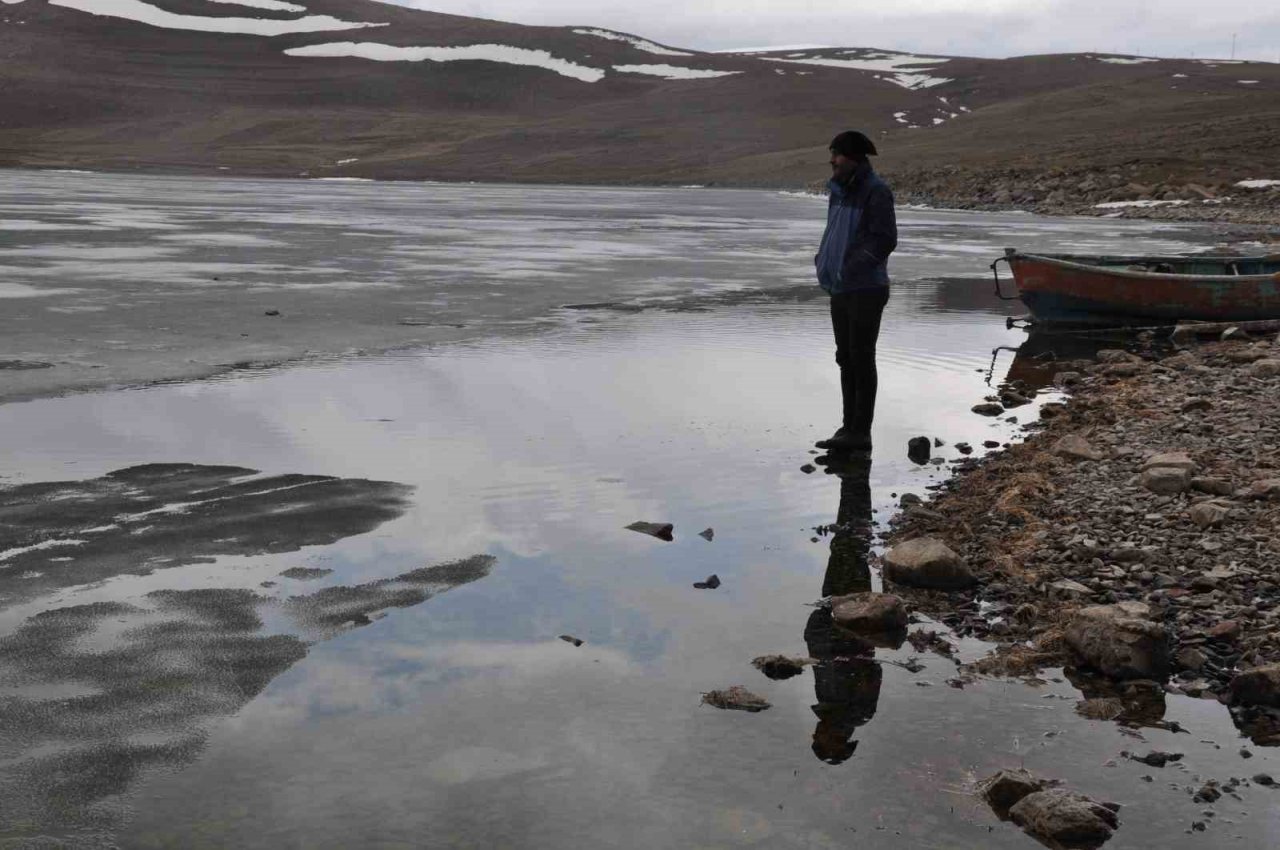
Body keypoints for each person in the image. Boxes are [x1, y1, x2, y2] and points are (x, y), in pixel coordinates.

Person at [813, 130, 898, 452]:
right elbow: (835, 233)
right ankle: (848, 428)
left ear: (853, 158)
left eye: (837, 154)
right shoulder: (839, 191)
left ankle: (860, 432)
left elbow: (885, 239)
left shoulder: (876, 191)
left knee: (861, 358)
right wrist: (824, 261)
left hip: (866, 288)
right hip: (842, 288)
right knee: (846, 358)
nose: (832, 161)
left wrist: (851, 267)